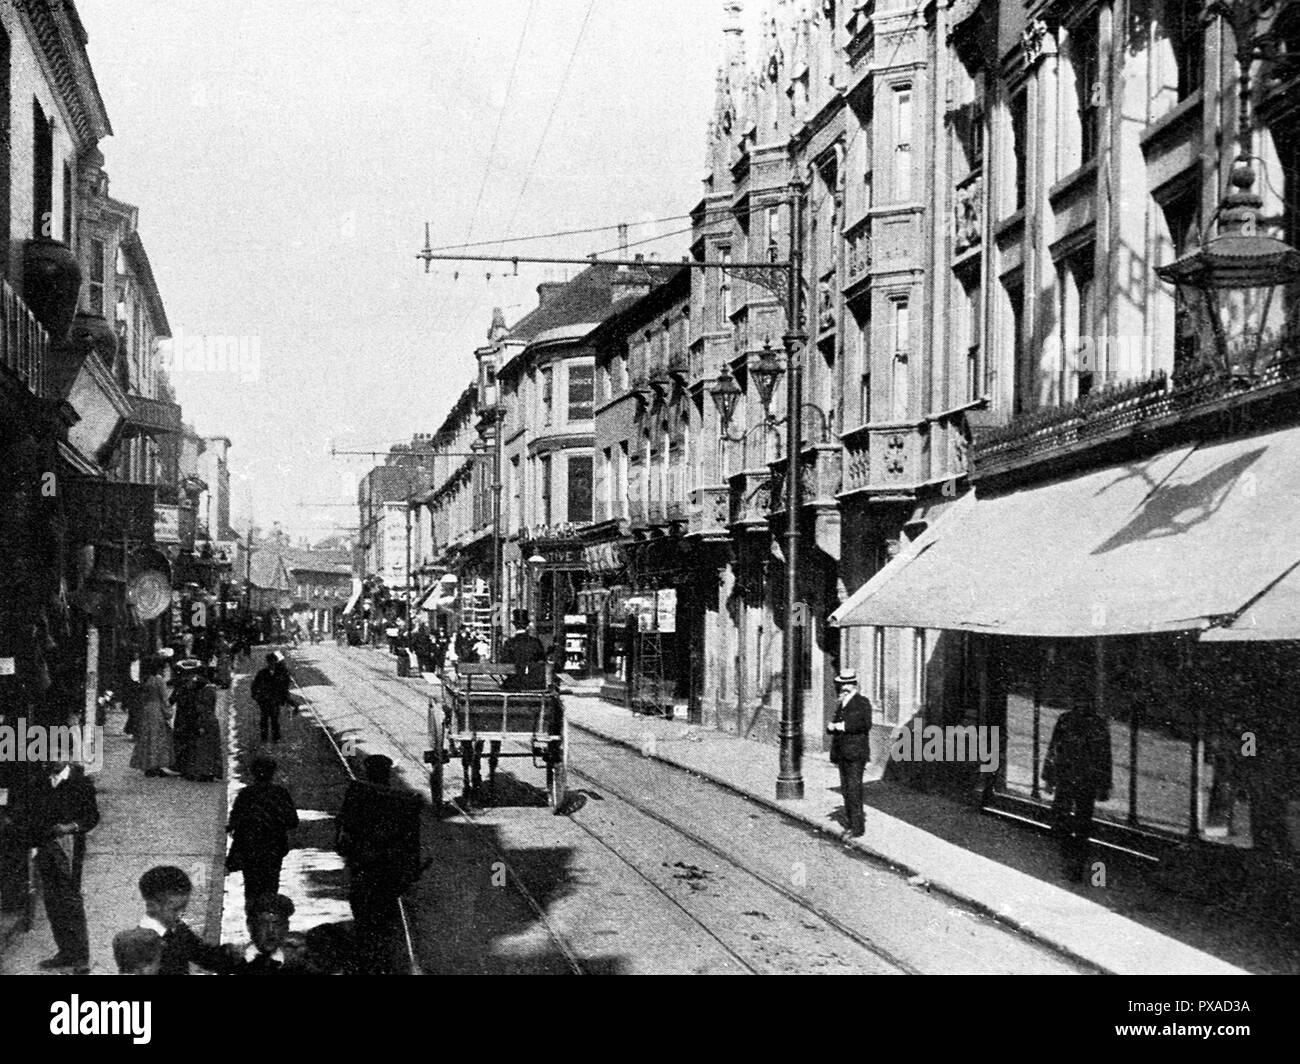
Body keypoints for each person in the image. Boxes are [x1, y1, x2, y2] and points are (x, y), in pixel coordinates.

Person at [335, 755, 422, 974]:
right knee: (385, 927)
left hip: (363, 872)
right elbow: (412, 844)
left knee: (364, 925)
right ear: (388, 774)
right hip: (389, 877)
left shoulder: (357, 794)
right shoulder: (405, 800)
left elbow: (342, 834)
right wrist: (411, 871)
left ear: (367, 771)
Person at [31, 758, 99, 974]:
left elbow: (92, 817)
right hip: (45, 846)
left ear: (68, 755)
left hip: (69, 848)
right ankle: (65, 952)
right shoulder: (41, 781)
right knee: (52, 900)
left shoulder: (80, 783)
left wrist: (71, 827)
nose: (51, 759)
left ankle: (81, 956)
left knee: (70, 900)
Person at [1042, 698, 1113, 882]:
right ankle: (1072, 860)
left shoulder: (1089, 722)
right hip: (1073, 779)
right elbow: (1055, 747)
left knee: (1078, 822)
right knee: (1065, 819)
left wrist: (1103, 784)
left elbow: (1104, 756)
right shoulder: (1069, 720)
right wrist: (1049, 777)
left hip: (1080, 780)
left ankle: (1075, 864)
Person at [227, 756, 299, 916]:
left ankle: (253, 920)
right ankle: (268, 919)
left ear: (253, 773)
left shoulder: (245, 794)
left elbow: (234, 823)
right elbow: (292, 821)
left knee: (251, 888)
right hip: (274, 849)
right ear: (273, 773)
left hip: (250, 850)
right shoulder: (281, 793)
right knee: (271, 886)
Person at [137, 865, 239, 975]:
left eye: (183, 907)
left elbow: (200, 953)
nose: (181, 913)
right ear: (153, 906)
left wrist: (228, 954)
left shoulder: (176, 929)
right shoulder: (144, 945)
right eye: (175, 909)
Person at [827, 669, 873, 839]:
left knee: (854, 789)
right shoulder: (842, 702)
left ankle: (857, 828)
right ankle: (849, 823)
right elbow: (835, 724)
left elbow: (865, 724)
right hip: (843, 753)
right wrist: (832, 726)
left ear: (853, 685)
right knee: (846, 789)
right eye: (842, 684)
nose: (843, 687)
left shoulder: (862, 702)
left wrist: (841, 726)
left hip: (855, 753)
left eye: (846, 684)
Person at [172, 661, 223, 782]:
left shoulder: (199, 689)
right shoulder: (204, 688)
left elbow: (175, 699)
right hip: (197, 718)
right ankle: (203, 770)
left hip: (192, 718)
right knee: (202, 745)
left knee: (196, 744)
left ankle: (193, 769)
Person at [130, 656, 175, 778]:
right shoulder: (159, 680)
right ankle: (157, 765)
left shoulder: (146, 680)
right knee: (158, 738)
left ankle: (148, 765)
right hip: (156, 710)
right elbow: (164, 698)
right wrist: (168, 713)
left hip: (146, 710)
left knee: (147, 737)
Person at [234, 892, 298, 974]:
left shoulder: (297, 966)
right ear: (250, 926)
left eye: (277, 924)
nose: (270, 931)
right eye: (263, 924)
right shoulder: (233, 964)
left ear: (286, 927)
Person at [251, 653, 292, 743]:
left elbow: (284, 687)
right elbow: (255, 686)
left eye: (273, 662)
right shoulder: (262, 673)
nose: (271, 664)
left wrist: (285, 699)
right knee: (264, 720)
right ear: (268, 662)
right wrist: (257, 697)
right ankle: (264, 738)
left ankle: (276, 738)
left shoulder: (280, 673)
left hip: (275, 700)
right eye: (270, 662)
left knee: (275, 720)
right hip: (264, 700)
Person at [500, 620, 547, 691]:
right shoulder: (536, 642)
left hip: (513, 682)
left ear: (515, 626)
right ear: (527, 627)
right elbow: (542, 660)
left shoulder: (509, 643)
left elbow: (504, 662)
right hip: (533, 682)